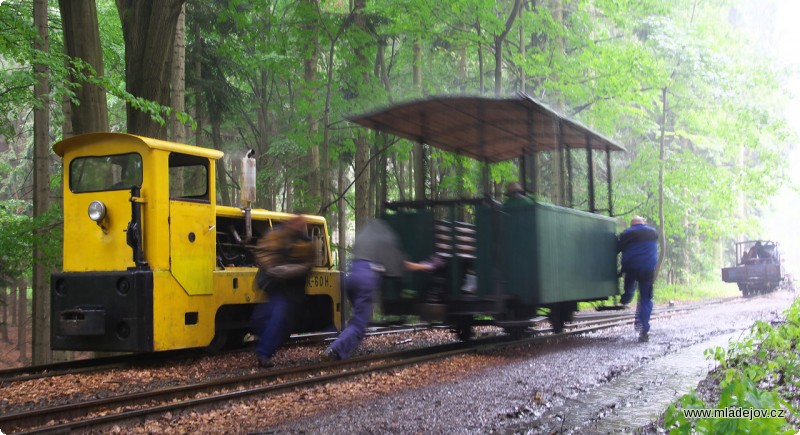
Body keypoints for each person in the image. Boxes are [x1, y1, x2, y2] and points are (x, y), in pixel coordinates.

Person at [321, 219, 439, 361]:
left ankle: (341, 341)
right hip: (366, 279)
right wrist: (427, 266)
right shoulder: (386, 238)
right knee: (359, 324)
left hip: (351, 278)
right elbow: (402, 265)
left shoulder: (364, 237)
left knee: (356, 319)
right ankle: (335, 350)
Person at [251, 215, 314, 368]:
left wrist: (283, 270)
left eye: (301, 223)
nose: (298, 225)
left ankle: (264, 352)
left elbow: (306, 265)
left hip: (289, 291)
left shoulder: (304, 243)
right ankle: (264, 345)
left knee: (279, 318)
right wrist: (273, 269)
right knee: (260, 319)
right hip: (274, 287)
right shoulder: (277, 234)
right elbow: (263, 253)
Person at [618, 216, 658, 342]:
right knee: (646, 299)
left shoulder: (627, 233)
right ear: (643, 223)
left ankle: (627, 297)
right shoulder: (653, 232)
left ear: (632, 225)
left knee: (629, 283)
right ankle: (644, 331)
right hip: (648, 270)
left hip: (631, 268)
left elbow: (616, 248)